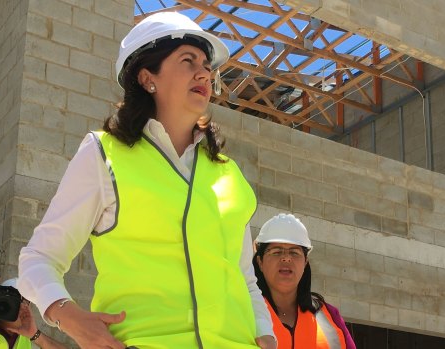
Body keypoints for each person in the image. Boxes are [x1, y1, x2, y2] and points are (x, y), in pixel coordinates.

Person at [18, 11, 275, 349]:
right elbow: (37, 260)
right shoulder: (104, 154)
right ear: (146, 78)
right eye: (188, 60)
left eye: (206, 65)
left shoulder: (229, 173)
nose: (204, 72)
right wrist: (70, 318)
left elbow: (245, 278)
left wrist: (268, 338)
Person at [253, 213, 356, 349]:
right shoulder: (246, 311)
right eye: (276, 252)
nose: (286, 258)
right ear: (260, 262)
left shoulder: (330, 316)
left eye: (294, 252)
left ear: (305, 262)